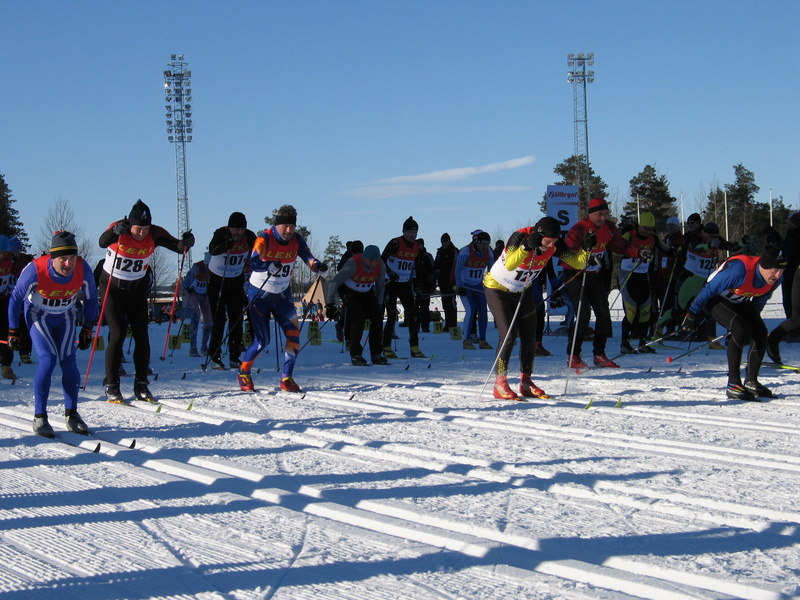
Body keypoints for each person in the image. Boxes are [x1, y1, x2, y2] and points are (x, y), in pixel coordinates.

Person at [98, 199, 194, 403]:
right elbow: (102, 241)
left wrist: (186, 242)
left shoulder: (155, 233)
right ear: (130, 224)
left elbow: (178, 246)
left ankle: (141, 383)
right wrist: (115, 231)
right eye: (138, 229)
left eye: (145, 229)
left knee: (142, 336)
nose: (141, 233)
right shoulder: (120, 227)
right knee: (118, 333)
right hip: (112, 288)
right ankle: (112, 384)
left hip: (136, 290)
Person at [484, 217, 589, 400]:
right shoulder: (519, 237)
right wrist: (526, 247)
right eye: (547, 241)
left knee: (530, 335)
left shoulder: (554, 245)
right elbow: (510, 264)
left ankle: (526, 381)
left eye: (554, 242)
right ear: (539, 234)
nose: (550, 246)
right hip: (497, 288)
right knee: (508, 334)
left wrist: (585, 249)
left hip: (522, 290)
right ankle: (500, 383)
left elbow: (578, 263)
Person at [7, 231, 98, 437]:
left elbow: (91, 299)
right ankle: (40, 417)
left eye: (72, 258)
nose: (68, 264)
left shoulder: (82, 268)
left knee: (68, 360)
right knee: (48, 359)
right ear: (52, 258)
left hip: (66, 316)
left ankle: (72, 414)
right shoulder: (36, 269)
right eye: (63, 259)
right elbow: (15, 299)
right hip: (39, 316)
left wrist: (88, 327)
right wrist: (13, 330)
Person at [237, 204, 328, 393]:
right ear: (277, 225)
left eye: (292, 226)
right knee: (262, 341)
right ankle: (244, 371)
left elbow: (308, 257)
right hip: (259, 295)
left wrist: (317, 266)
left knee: (294, 335)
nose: (288, 230)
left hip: (282, 296)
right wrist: (268, 265)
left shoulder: (296, 240)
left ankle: (286, 378)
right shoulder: (264, 238)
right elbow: (253, 261)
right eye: (285, 226)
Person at [682, 248, 786, 400]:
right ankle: (733, 384)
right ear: (763, 266)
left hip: (739, 299)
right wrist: (692, 313)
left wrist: (752, 322)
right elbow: (709, 289)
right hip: (715, 298)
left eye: (781, 271)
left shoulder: (776, 279)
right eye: (775, 270)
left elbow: (760, 299)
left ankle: (751, 381)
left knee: (760, 332)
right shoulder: (739, 271)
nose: (778, 275)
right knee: (738, 328)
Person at [563, 198, 649, 368]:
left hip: (594, 274)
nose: (603, 218)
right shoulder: (579, 229)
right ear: (590, 213)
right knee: (583, 315)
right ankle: (573, 355)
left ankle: (599, 354)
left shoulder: (608, 227)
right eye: (599, 214)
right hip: (576, 274)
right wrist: (583, 252)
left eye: (605, 214)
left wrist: (638, 252)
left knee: (603, 314)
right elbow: (567, 254)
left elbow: (620, 245)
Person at [206, 211, 257, 370]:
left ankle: (234, 356)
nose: (238, 232)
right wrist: (225, 246)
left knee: (236, 319)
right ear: (229, 227)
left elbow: (259, 250)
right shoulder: (221, 233)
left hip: (235, 280)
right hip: (217, 281)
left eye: (241, 229)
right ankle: (215, 357)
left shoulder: (249, 236)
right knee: (219, 320)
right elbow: (212, 249)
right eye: (235, 229)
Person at [325, 244, 389, 366]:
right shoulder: (353, 264)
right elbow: (333, 283)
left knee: (377, 318)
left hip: (367, 290)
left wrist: (379, 305)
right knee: (358, 318)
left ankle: (376, 354)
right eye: (370, 260)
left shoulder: (381, 265)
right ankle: (356, 354)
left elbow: (380, 286)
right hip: (349, 290)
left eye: (375, 261)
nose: (373, 264)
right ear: (364, 258)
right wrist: (330, 305)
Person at [381, 216, 426, 359]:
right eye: (410, 232)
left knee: (413, 315)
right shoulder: (395, 243)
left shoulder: (417, 247)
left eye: (415, 232)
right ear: (404, 232)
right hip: (391, 284)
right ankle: (386, 347)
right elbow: (382, 260)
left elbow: (418, 268)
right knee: (392, 316)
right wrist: (390, 273)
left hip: (406, 284)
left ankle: (414, 347)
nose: (412, 235)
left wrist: (418, 286)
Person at [618, 212, 658, 353]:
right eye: (645, 228)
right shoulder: (629, 235)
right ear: (639, 226)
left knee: (645, 311)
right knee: (631, 311)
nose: (648, 232)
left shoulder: (653, 238)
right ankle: (624, 343)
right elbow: (619, 248)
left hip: (642, 276)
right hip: (628, 275)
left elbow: (666, 248)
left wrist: (675, 251)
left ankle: (642, 343)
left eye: (651, 229)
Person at [454, 230, 493, 350]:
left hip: (478, 286)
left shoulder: (489, 252)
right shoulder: (465, 251)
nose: (485, 247)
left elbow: (492, 271)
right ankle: (466, 340)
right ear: (477, 242)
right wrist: (459, 286)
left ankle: (483, 340)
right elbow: (457, 270)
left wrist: (492, 286)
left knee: (483, 311)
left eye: (487, 244)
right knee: (470, 311)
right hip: (465, 286)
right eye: (483, 244)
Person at [654, 216, 684, 337]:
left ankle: (676, 327)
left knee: (673, 303)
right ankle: (668, 327)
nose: (670, 227)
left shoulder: (680, 239)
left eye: (672, 225)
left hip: (674, 275)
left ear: (677, 226)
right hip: (664, 275)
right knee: (665, 303)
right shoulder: (666, 238)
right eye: (668, 225)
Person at [182, 253, 213, 357]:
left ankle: (204, 347)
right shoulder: (197, 267)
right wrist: (188, 288)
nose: (209, 270)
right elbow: (186, 282)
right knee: (195, 317)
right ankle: (193, 348)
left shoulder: (215, 269)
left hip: (205, 294)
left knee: (209, 321)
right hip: (193, 293)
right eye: (208, 266)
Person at [434, 233, 458, 332]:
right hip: (442, 281)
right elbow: (436, 263)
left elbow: (456, 266)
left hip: (452, 281)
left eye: (445, 242)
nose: (444, 244)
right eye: (442, 242)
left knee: (451, 303)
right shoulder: (440, 252)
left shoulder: (454, 251)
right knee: (445, 304)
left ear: (449, 241)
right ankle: (448, 324)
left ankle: (453, 324)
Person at [0, 235, 17, 380]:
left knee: (6, 332)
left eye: (6, 252)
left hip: (4, 299)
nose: (4, 255)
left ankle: (6, 365)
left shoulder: (11, 260)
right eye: (1, 252)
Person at [414, 238, 437, 333]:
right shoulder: (412, 256)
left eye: (419, 245)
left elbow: (433, 272)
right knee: (414, 308)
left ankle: (425, 326)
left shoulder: (428, 256)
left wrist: (432, 286)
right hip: (414, 286)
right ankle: (415, 327)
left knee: (424, 308)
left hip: (425, 286)